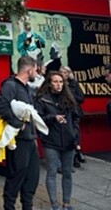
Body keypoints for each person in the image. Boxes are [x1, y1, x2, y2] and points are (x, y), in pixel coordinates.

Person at [0, 55, 40, 210]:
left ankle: (27, 206)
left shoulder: (27, 88)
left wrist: (34, 135)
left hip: (30, 139)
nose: (37, 72)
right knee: (16, 175)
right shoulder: (10, 85)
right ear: (29, 70)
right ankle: (9, 207)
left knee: (32, 176)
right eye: (35, 69)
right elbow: (1, 106)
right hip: (18, 140)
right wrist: (17, 124)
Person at [35, 71, 80, 210]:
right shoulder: (42, 99)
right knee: (52, 172)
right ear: (49, 83)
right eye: (55, 81)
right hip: (51, 141)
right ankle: (54, 204)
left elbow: (76, 118)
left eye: (61, 82)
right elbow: (38, 119)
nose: (58, 84)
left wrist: (75, 134)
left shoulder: (68, 98)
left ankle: (67, 203)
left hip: (68, 141)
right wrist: (53, 118)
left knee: (67, 173)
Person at [59, 65, 85, 167]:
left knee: (75, 132)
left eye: (65, 72)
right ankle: (76, 154)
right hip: (63, 112)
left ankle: (76, 154)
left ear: (69, 74)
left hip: (74, 111)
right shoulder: (57, 84)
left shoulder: (73, 84)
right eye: (61, 72)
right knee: (67, 134)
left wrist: (70, 96)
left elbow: (81, 98)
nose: (63, 74)